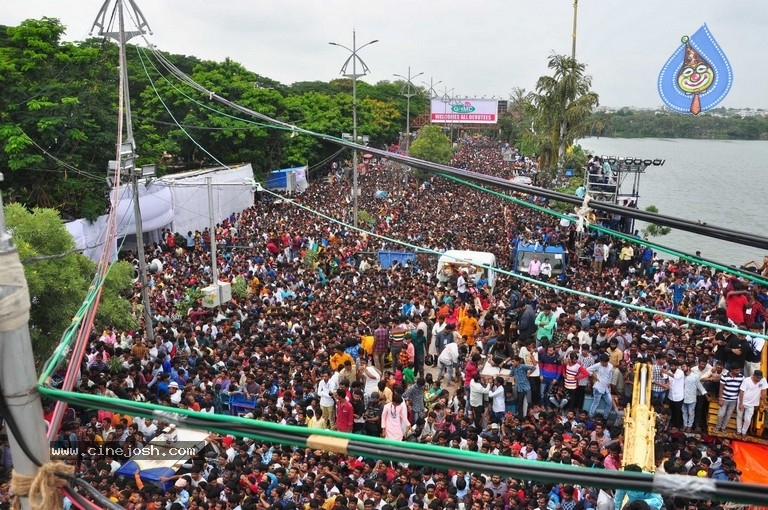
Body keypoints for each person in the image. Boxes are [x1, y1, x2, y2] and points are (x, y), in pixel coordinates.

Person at [736, 369, 768, 440]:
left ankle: (744, 432)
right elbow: (741, 392)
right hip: (742, 402)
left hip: (752, 404)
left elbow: (763, 392)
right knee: (739, 416)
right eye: (757, 378)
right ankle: (738, 431)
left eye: (760, 378)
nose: (759, 380)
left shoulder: (763, 380)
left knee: (748, 419)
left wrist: (765, 403)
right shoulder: (746, 380)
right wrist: (741, 403)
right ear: (753, 376)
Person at [714, 364, 744, 434]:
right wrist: (720, 399)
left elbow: (741, 389)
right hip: (724, 399)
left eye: (739, 370)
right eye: (736, 370)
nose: (738, 372)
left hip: (734, 400)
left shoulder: (742, 377)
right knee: (720, 414)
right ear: (731, 370)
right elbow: (721, 388)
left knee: (728, 415)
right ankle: (717, 427)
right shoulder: (724, 376)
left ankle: (723, 428)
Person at [586, 354, 614, 419]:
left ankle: (605, 417)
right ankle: (590, 416)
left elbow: (610, 376)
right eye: (601, 362)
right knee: (596, 403)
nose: (602, 363)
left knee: (610, 402)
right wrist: (594, 376)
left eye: (603, 362)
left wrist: (609, 385)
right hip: (598, 387)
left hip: (605, 387)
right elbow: (587, 369)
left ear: (607, 361)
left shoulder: (610, 366)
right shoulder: (598, 365)